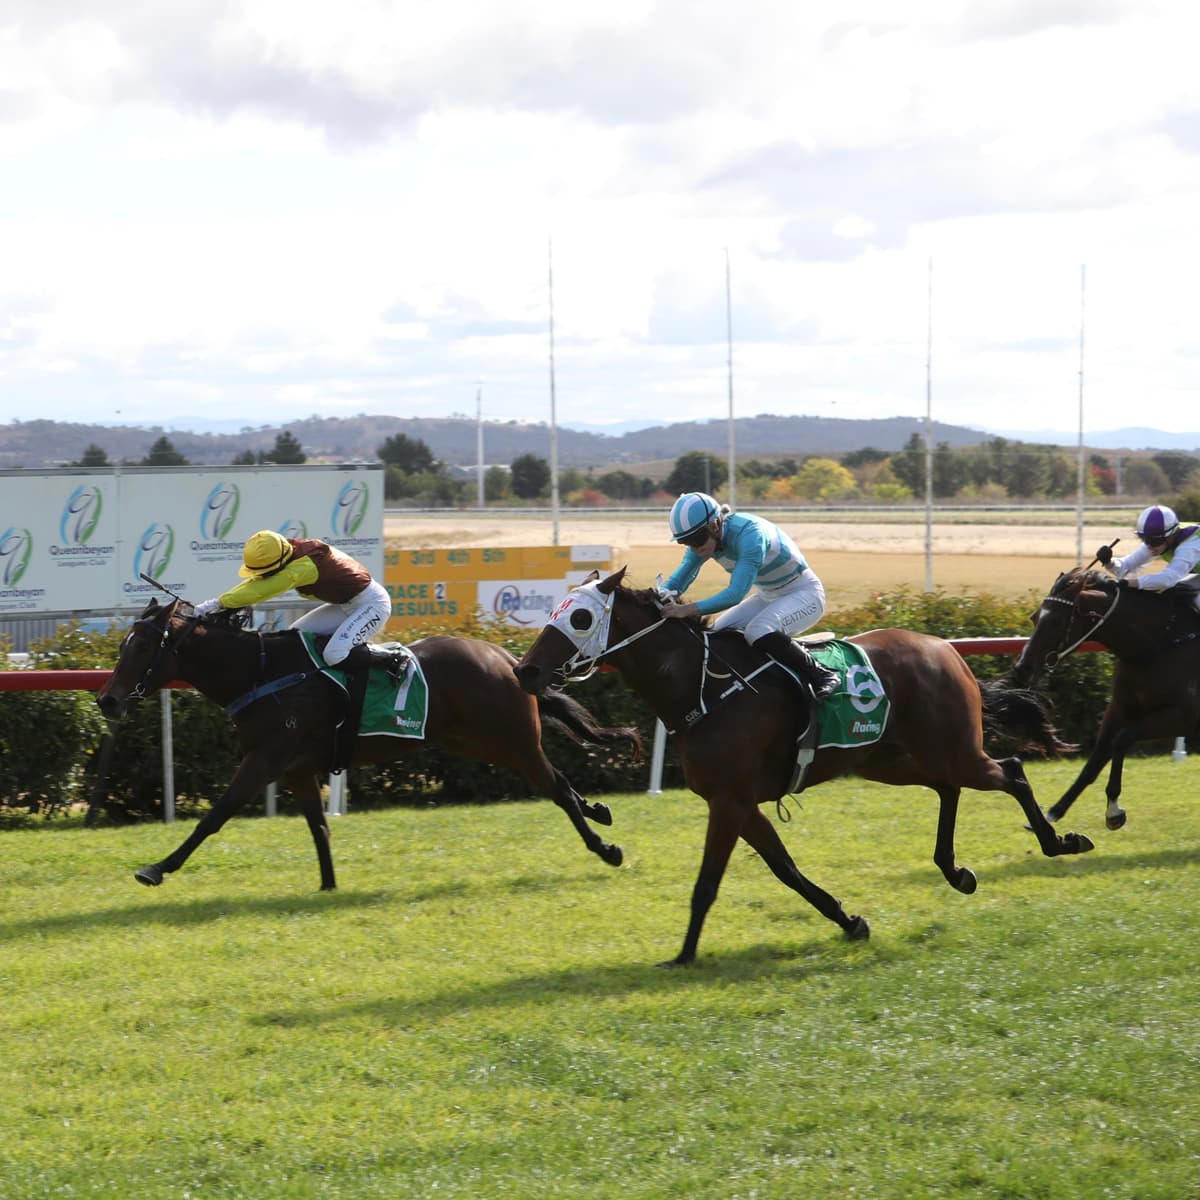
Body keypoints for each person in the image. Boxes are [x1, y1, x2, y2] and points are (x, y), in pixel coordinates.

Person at [658, 492, 840, 699]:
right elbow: (677, 581)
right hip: (767, 595)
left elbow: (735, 594)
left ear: (715, 524)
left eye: (696, 539)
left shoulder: (750, 535)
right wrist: (656, 596)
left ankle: (822, 674)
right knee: (716, 634)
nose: (694, 547)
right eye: (686, 542)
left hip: (804, 593)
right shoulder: (705, 539)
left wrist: (686, 610)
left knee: (757, 630)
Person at [194, 530, 402, 676]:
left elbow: (260, 590)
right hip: (346, 605)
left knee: (334, 654)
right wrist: (218, 602)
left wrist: (217, 603)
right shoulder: (289, 551)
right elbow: (256, 583)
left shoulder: (303, 568)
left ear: (279, 562)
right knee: (294, 638)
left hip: (372, 604)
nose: (263, 575)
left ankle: (391, 656)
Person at [1096, 504, 1200, 607]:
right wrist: (1109, 562)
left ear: (1171, 536)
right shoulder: (1160, 539)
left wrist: (1125, 583)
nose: (1149, 546)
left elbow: (1168, 579)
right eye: (1144, 539)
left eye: (1154, 541)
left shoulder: (1191, 545)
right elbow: (1126, 567)